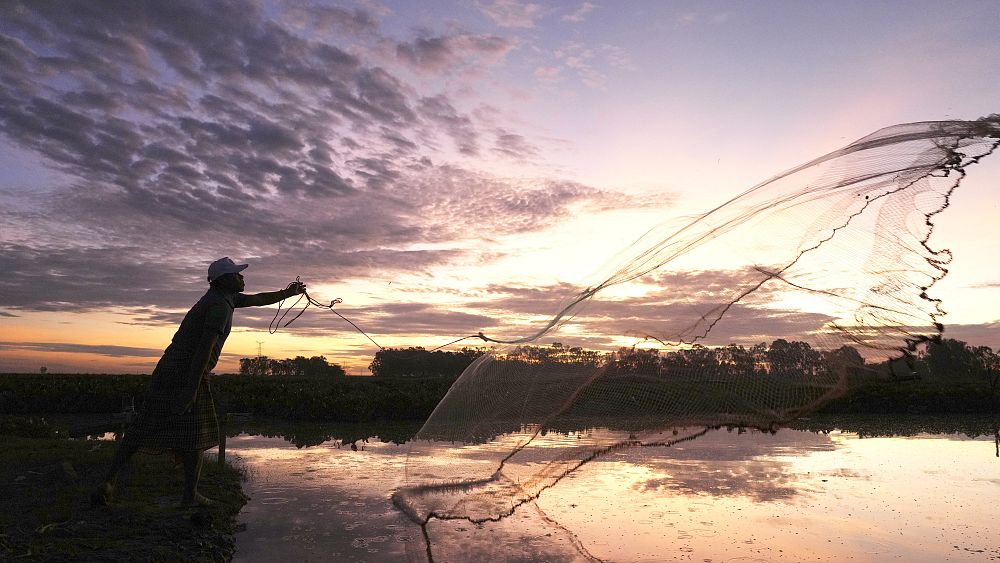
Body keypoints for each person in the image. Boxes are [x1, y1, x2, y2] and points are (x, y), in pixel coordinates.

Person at [91, 257, 306, 507]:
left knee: (144, 427)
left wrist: (288, 293)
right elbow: (204, 349)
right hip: (186, 372)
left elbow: (257, 299)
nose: (243, 278)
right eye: (238, 275)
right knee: (194, 434)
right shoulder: (219, 306)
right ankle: (189, 496)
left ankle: (109, 481)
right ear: (224, 280)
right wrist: (191, 389)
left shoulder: (225, 299)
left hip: (171, 369)